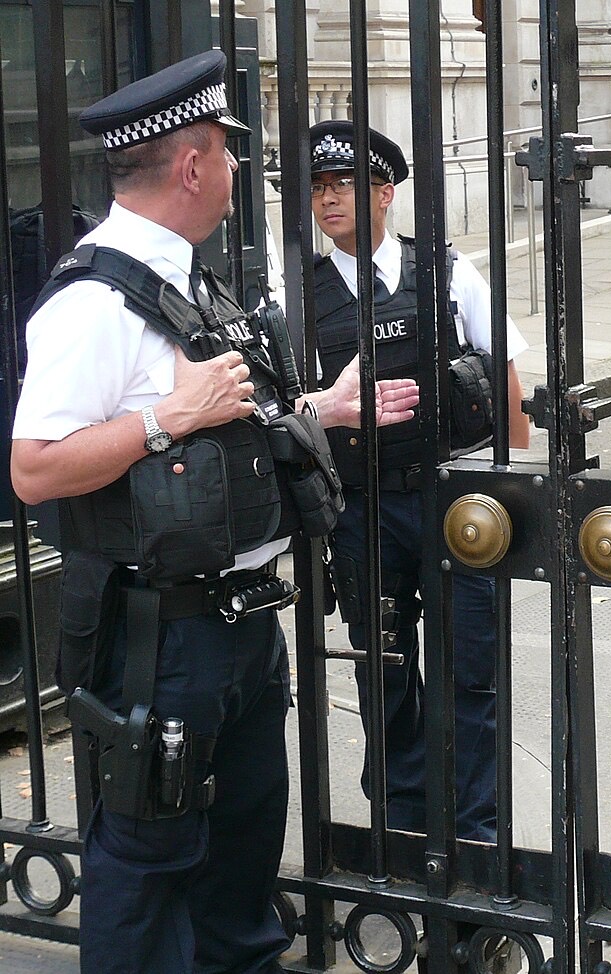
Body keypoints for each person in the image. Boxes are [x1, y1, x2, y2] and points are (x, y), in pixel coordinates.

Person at [10, 52, 417, 974]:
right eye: (229, 156)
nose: (240, 173)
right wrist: (167, 416)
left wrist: (322, 412)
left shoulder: (198, 282)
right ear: (192, 165)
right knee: (152, 866)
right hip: (159, 637)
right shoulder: (92, 302)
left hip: (239, 625)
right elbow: (34, 469)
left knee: (239, 862)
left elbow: (225, 438)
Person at [309, 119, 530, 840]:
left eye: (342, 185)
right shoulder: (296, 297)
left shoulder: (443, 269)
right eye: (316, 188)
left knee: (472, 670)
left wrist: (512, 472)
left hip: (455, 496)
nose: (326, 200)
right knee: (387, 671)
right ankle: (403, 829)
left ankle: (475, 832)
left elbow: (505, 371)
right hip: (363, 510)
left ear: (385, 193)